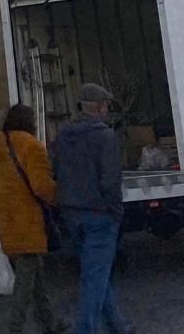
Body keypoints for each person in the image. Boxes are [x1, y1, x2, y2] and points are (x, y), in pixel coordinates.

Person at [53, 84, 135, 334]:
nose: (108, 111)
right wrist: (116, 211)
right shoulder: (105, 137)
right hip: (99, 214)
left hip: (71, 213)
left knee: (96, 272)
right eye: (107, 107)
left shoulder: (63, 135)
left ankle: (116, 324)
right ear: (99, 108)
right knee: (94, 276)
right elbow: (110, 180)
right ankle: (86, 329)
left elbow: (55, 171)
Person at [0, 103, 66, 334]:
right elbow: (41, 186)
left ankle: (49, 322)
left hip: (8, 222)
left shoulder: (0, 147)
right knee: (24, 284)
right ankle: (15, 327)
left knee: (35, 276)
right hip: (27, 222)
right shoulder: (32, 147)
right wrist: (61, 198)